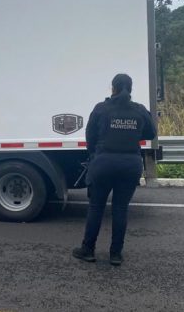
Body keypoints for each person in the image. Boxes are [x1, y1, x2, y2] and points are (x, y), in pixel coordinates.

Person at [73, 73, 156, 266]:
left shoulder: (101, 109)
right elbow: (151, 133)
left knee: (96, 208)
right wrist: (134, 134)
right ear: (131, 89)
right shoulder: (139, 110)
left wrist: (95, 155)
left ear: (113, 88)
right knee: (120, 209)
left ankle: (87, 250)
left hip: (104, 163)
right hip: (130, 165)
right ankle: (115, 254)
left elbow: (90, 137)